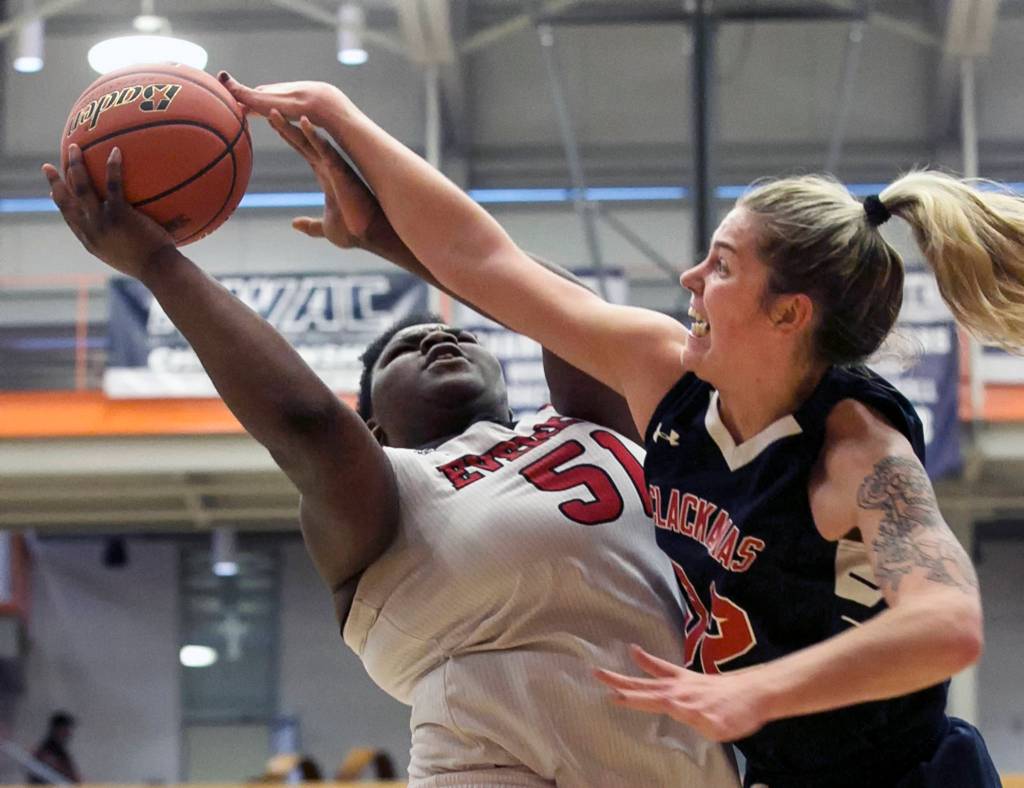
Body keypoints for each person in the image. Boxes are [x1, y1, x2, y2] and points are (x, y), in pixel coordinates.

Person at [218, 73, 1016, 786]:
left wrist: (752, 691)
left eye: (723, 267)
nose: (690, 279)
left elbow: (946, 626)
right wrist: (340, 115)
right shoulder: (663, 371)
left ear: (787, 315)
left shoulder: (857, 455)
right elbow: (484, 259)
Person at [42, 143, 738, 787]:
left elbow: (548, 300)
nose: (440, 333)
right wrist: (160, 265)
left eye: (459, 332)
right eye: (408, 349)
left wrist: (386, 234)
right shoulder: (391, 488)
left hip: (705, 747)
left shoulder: (589, 420)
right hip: (499, 750)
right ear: (374, 424)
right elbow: (307, 423)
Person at [27, 711, 80, 784]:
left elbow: (74, 778)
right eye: (65, 729)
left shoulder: (62, 754)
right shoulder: (44, 753)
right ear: (56, 729)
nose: (68, 733)